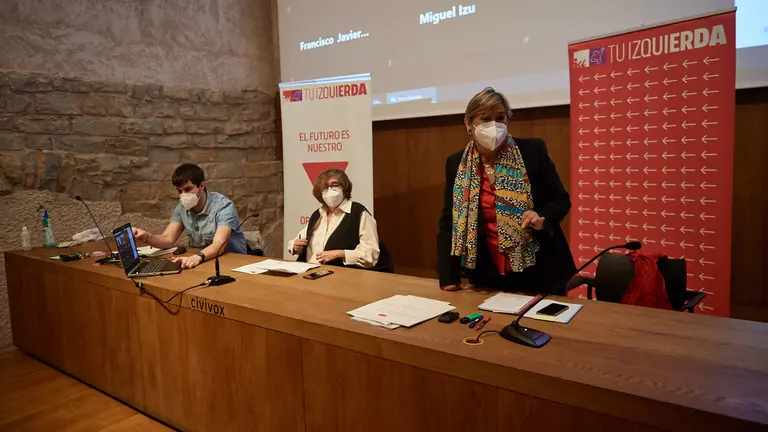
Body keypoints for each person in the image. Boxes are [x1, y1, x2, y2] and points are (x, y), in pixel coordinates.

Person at [437, 87, 575, 294]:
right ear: (468, 124)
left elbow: (560, 199)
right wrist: (448, 274)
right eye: (485, 119)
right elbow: (449, 220)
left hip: (539, 269)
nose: (493, 126)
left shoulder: (532, 151)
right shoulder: (456, 163)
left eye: (500, 118)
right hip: (486, 274)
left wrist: (542, 217)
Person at [132, 163, 247, 269]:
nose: (183, 195)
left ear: (201, 186)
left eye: (188, 189)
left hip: (233, 263)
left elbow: (219, 244)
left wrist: (196, 257)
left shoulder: (223, 206)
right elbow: (168, 239)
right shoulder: (182, 207)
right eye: (179, 191)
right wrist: (147, 237)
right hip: (204, 262)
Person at [288, 168, 380, 269]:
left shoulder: (358, 213)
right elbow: (298, 240)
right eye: (325, 187)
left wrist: (340, 254)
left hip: (340, 277)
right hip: (309, 272)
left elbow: (371, 255)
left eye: (335, 185)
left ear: (344, 188)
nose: (330, 190)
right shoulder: (318, 214)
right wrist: (294, 245)